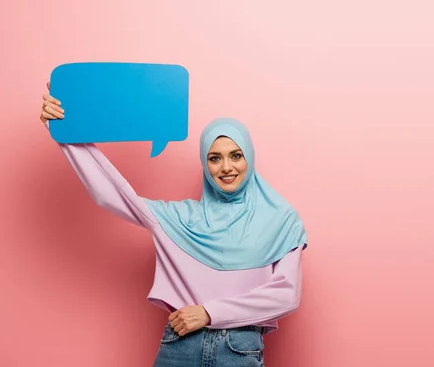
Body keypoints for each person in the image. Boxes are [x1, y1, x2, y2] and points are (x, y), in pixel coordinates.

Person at [39, 82, 308, 366]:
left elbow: (286, 294)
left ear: (249, 158)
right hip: (180, 346)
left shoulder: (281, 221)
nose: (226, 167)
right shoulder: (179, 219)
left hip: (239, 349)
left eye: (236, 155)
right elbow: (112, 194)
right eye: (214, 158)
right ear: (205, 165)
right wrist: (65, 131)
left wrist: (208, 313)